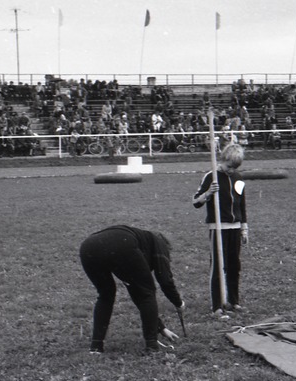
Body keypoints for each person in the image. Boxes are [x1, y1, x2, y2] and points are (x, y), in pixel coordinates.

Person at [79, 225, 185, 353]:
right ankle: (151, 346)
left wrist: (161, 328)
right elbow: (164, 280)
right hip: (120, 244)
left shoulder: (140, 242)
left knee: (106, 295)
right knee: (148, 292)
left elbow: (137, 292)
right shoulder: (159, 243)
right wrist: (178, 303)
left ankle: (96, 347)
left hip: (88, 247)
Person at [192, 143, 248, 316]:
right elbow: (196, 202)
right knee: (218, 266)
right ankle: (216, 306)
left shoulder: (238, 178)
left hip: (235, 228)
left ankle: (233, 301)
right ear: (223, 159)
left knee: (234, 266)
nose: (231, 170)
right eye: (229, 166)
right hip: (218, 228)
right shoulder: (211, 177)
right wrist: (208, 193)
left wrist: (244, 228)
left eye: (235, 168)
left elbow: (242, 205)